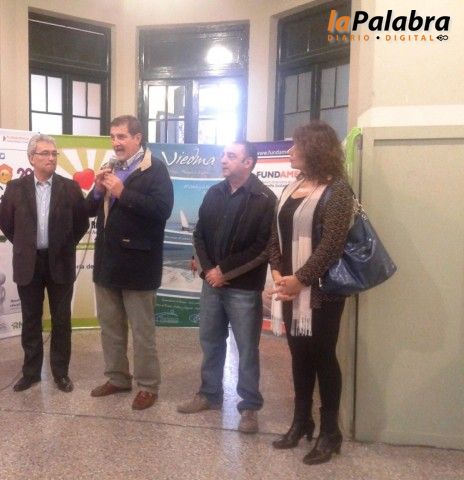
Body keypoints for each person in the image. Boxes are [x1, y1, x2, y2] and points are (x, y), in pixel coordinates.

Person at [268, 121, 353, 465]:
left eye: (296, 145)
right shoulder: (292, 187)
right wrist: (278, 274)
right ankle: (302, 421)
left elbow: (332, 245)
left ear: (315, 149)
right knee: (299, 356)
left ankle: (330, 432)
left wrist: (300, 279)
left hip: (321, 293)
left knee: (323, 358)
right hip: (289, 289)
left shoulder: (338, 191)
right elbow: (274, 235)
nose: (290, 151)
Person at [176, 141, 276, 433]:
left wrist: (225, 271)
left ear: (248, 162)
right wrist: (210, 270)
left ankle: (249, 407)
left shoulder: (264, 198)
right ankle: (209, 395)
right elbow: (199, 235)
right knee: (210, 342)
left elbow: (263, 247)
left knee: (246, 349)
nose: (223, 160)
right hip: (212, 285)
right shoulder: (214, 192)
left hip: (244, 289)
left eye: (231, 156)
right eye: (223, 155)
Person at [86, 115, 173, 410]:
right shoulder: (110, 167)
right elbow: (88, 209)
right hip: (107, 263)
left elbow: (162, 210)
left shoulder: (155, 169)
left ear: (137, 138)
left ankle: (148, 385)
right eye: (112, 137)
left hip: (139, 266)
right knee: (110, 327)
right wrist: (98, 190)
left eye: (122, 136)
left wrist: (123, 192)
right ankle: (118, 378)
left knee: (142, 332)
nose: (116, 143)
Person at [0, 134, 89, 393]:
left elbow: (81, 223)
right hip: (29, 263)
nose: (51, 158)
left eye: (54, 153)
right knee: (30, 320)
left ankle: (61, 373)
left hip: (60, 261)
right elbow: (6, 223)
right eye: (45, 153)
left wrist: (64, 245)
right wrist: (26, 244)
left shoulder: (70, 188)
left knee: (61, 320)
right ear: (31, 158)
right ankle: (31, 373)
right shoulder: (15, 188)